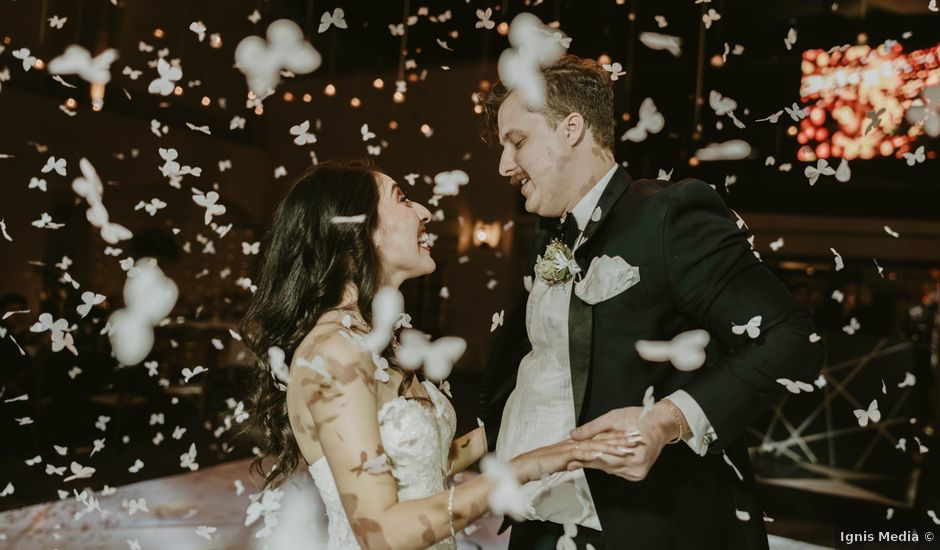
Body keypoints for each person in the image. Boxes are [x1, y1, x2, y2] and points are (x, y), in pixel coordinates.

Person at [479, 55, 826, 549]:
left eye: (517, 141)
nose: (504, 165)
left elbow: (794, 339)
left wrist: (666, 421)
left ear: (571, 129)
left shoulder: (667, 214)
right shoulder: (549, 237)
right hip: (543, 523)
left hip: (644, 525)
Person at [241, 160, 627, 550]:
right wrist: (521, 471)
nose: (424, 211)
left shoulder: (371, 339)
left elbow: (422, 467)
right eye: (403, 199)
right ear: (358, 230)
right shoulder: (334, 353)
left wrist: (534, 420)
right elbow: (379, 532)